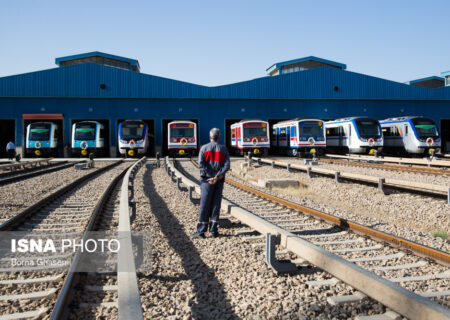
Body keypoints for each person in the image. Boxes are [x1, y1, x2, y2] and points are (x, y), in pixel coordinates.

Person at [192, 128, 230, 238]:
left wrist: (210, 176)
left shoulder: (204, 148)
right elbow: (227, 165)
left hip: (206, 181)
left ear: (210, 137)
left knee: (204, 204)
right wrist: (217, 177)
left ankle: (201, 231)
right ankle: (214, 230)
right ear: (218, 137)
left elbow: (201, 165)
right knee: (215, 205)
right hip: (218, 181)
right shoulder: (224, 149)